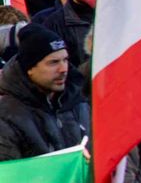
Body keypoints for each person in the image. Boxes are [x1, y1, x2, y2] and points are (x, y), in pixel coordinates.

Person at [0, 22, 89, 160]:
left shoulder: (79, 102)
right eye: (53, 62)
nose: (64, 69)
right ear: (29, 68)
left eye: (65, 60)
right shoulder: (6, 116)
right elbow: (8, 174)